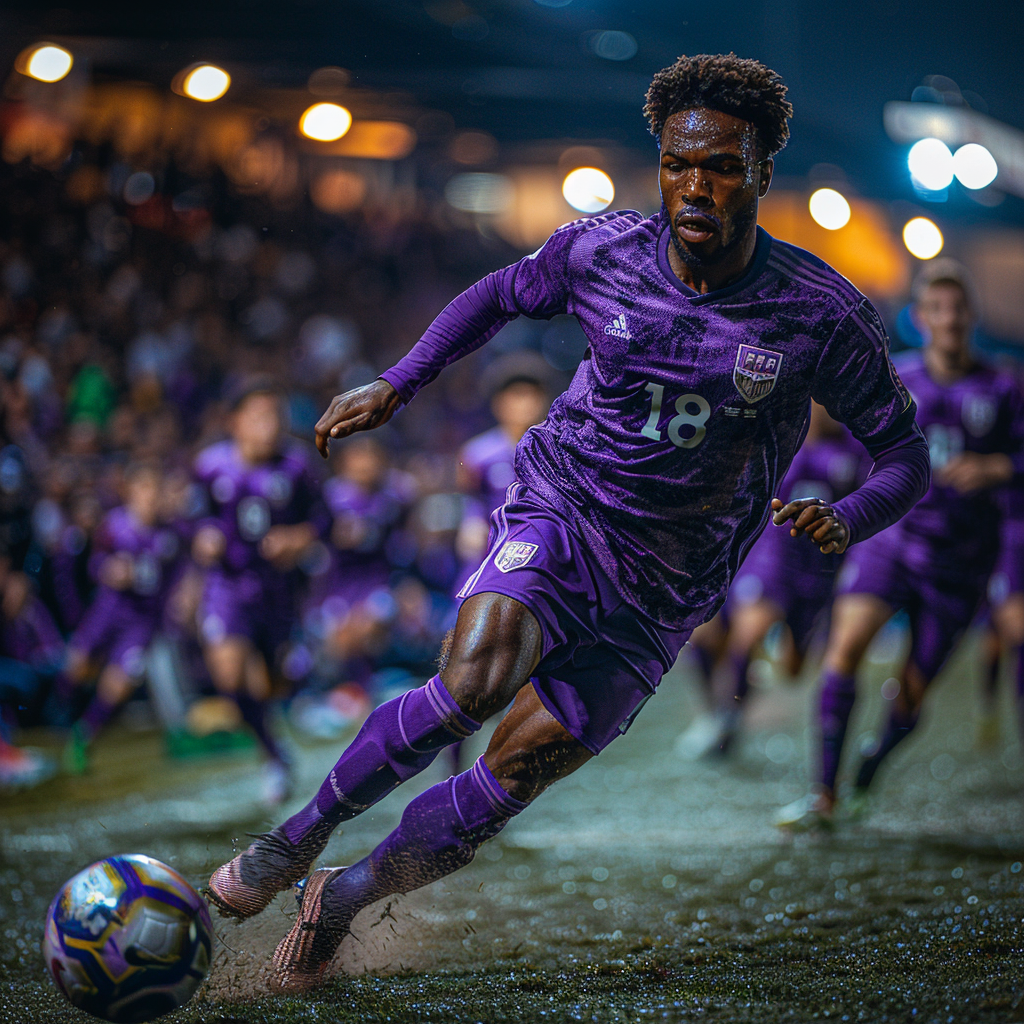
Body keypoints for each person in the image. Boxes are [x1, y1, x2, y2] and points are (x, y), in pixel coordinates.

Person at [207, 53, 929, 991]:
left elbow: (907, 455)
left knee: (506, 781)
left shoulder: (819, 313)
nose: (695, 186)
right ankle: (290, 842)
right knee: (475, 679)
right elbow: (498, 295)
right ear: (660, 164)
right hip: (566, 506)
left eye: (721, 167)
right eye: (678, 164)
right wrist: (397, 382)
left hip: (667, 586)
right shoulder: (604, 251)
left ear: (760, 174)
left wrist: (850, 514)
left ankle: (341, 899)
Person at [777, 260, 1024, 831]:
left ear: (971, 316)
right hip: (892, 540)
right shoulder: (897, 378)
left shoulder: (1004, 386)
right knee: (845, 652)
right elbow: (854, 441)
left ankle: (871, 766)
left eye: (958, 307)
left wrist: (997, 466)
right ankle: (823, 796)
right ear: (920, 318)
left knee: (911, 692)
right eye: (937, 308)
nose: (950, 319)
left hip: (962, 559)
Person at [677, 402, 868, 758]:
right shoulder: (771, 436)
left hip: (818, 575)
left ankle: (735, 698)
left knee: (793, 671)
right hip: (764, 560)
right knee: (710, 635)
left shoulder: (853, 451)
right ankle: (720, 718)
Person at [192, 381, 327, 804]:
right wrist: (203, 536)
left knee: (270, 684)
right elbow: (192, 518)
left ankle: (275, 743)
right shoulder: (209, 466)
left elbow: (323, 519)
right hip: (227, 584)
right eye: (257, 416)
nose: (267, 426)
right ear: (234, 422)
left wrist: (298, 538)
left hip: (277, 589)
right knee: (229, 674)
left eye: (274, 417)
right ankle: (274, 756)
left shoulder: (297, 466)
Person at [62, 462, 182, 773]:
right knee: (77, 668)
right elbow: (94, 565)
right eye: (144, 490)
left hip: (140, 624)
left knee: (120, 683)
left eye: (155, 491)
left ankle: (83, 736)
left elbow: (176, 577)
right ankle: (58, 725)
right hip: (107, 612)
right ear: (131, 493)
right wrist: (110, 571)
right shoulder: (115, 526)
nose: (150, 497)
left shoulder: (169, 534)